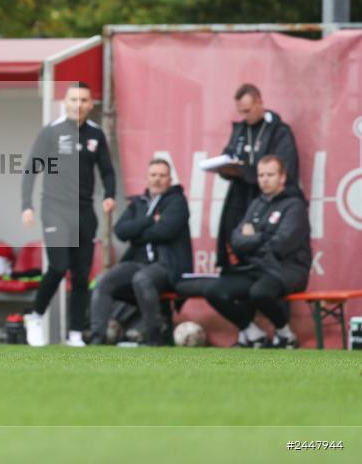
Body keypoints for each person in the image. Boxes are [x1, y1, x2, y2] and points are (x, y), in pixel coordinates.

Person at [21, 82, 115, 347]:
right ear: (65, 101)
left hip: (84, 211)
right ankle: (35, 316)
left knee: (82, 274)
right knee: (59, 267)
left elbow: (107, 170)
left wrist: (109, 194)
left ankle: (75, 333)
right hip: (54, 209)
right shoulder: (52, 131)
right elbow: (31, 169)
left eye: (84, 100)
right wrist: (26, 205)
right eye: (73, 99)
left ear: (90, 104)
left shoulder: (96, 135)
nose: (78, 104)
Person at [204, 155, 311, 348]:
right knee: (214, 292)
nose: (264, 179)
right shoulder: (256, 204)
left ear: (282, 177)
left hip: (287, 268)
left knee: (259, 293)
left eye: (270, 174)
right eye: (261, 175)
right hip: (257, 267)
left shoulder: (295, 206)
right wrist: (261, 237)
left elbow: (281, 244)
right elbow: (236, 240)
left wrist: (254, 237)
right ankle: (253, 334)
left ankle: (285, 333)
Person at [89, 159, 192, 346]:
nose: (157, 180)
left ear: (170, 179)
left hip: (166, 265)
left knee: (142, 279)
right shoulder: (138, 203)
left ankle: (154, 338)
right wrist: (150, 220)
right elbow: (120, 230)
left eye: (162, 175)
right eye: (153, 175)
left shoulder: (177, 201)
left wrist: (136, 234)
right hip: (138, 262)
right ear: (146, 179)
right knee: (105, 281)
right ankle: (97, 337)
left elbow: (165, 231)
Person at [217, 84, 299, 271]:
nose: (244, 116)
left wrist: (247, 171)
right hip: (240, 195)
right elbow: (229, 154)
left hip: (267, 200)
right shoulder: (240, 131)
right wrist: (225, 167)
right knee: (234, 236)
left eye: (247, 110)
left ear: (260, 102)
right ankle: (235, 273)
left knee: (260, 242)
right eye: (241, 112)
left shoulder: (279, 131)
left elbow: (283, 166)